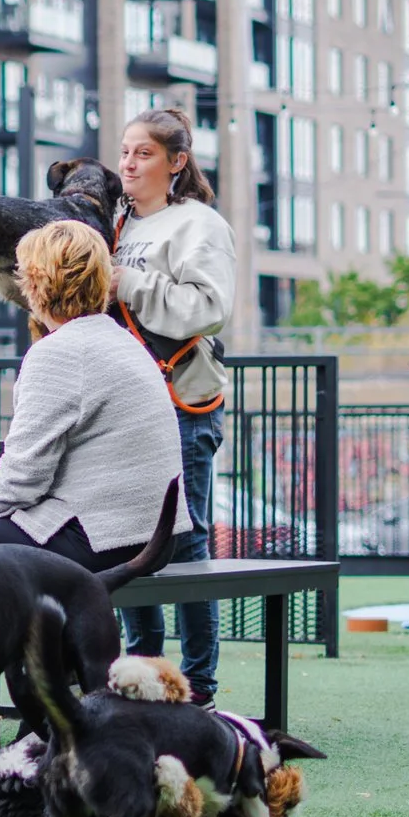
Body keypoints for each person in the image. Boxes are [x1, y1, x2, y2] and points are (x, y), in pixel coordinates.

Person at [0, 219, 190, 584]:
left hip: (102, 536)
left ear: (34, 284)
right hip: (157, 536)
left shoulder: (59, 352)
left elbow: (24, 477)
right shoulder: (123, 342)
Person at [106, 107, 240, 702]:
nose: (129, 163)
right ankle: (144, 677)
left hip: (180, 398)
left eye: (145, 153)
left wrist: (124, 281)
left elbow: (208, 308)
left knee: (185, 540)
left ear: (177, 162)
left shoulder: (198, 225)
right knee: (128, 538)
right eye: (126, 151)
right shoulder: (114, 223)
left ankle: (199, 688)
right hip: (120, 405)